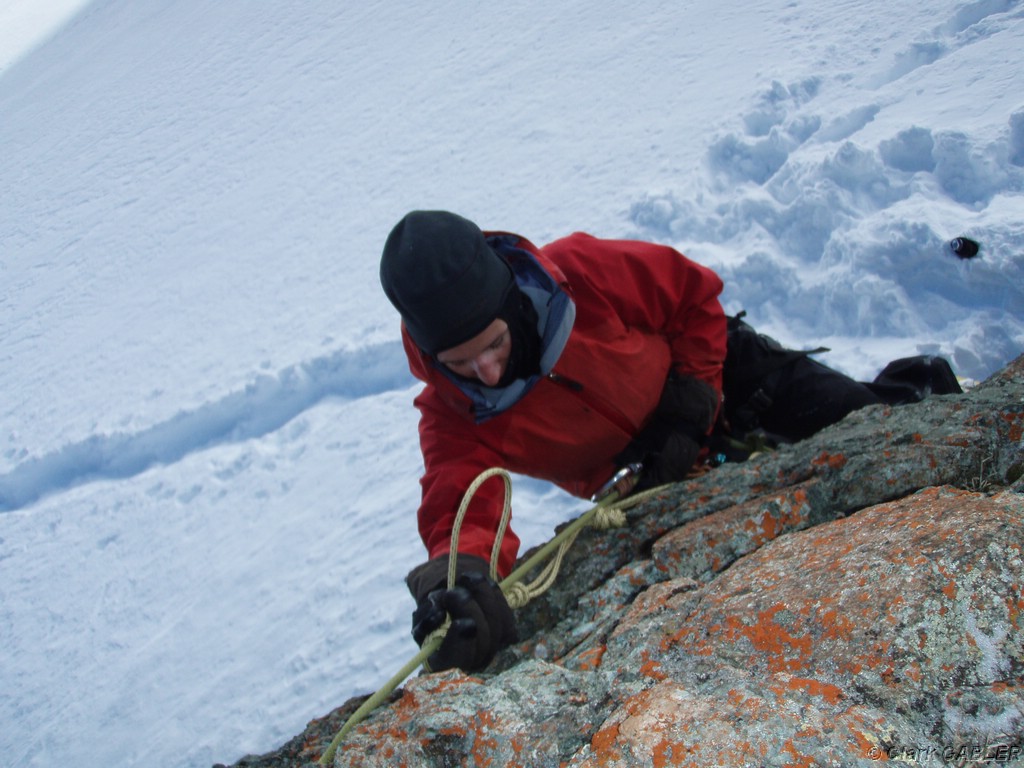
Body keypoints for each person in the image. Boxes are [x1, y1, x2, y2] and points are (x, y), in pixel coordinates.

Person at [378, 210, 957, 674]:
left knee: (869, 424)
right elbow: (461, 504)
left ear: (509, 302)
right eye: (460, 363)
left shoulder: (578, 272)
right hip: (651, 471)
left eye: (494, 344)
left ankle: (920, 385)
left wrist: (690, 405)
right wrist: (459, 585)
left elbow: (691, 296)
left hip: (729, 376)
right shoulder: (453, 413)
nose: (487, 372)